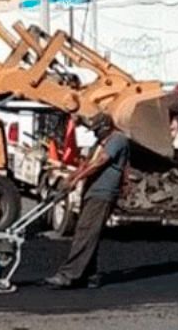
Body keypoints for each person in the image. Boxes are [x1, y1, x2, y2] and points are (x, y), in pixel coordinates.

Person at [45, 114, 129, 289]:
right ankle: (89, 275)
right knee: (89, 233)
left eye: (97, 131)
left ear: (105, 128)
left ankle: (69, 274)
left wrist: (78, 179)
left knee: (86, 231)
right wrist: (72, 177)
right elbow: (86, 164)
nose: (94, 134)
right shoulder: (99, 144)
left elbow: (100, 162)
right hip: (91, 192)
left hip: (103, 194)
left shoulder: (118, 140)